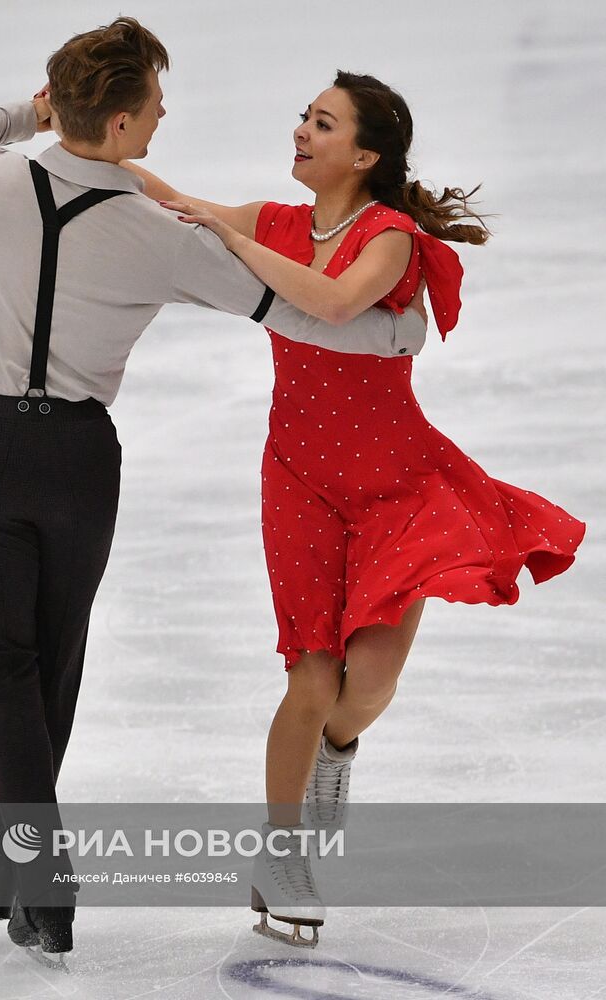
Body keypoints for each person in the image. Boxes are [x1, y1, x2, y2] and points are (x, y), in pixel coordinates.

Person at [0, 22, 428, 963]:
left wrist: (28, 110)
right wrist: (395, 341)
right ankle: (21, 869)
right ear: (120, 124)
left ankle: (25, 866)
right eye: (155, 100)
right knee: (53, 663)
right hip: (76, 463)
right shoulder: (159, 239)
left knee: (6, 665)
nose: (167, 111)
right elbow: (298, 315)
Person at [127, 70, 586, 947]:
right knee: (308, 674)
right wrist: (94, 153)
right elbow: (172, 195)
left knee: (365, 683)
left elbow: (331, 303)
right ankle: (280, 856)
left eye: (322, 122)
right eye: (304, 115)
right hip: (298, 478)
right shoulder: (278, 220)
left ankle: (336, 750)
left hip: (398, 488)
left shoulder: (390, 237)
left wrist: (229, 242)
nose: (301, 129)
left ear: (364, 154)